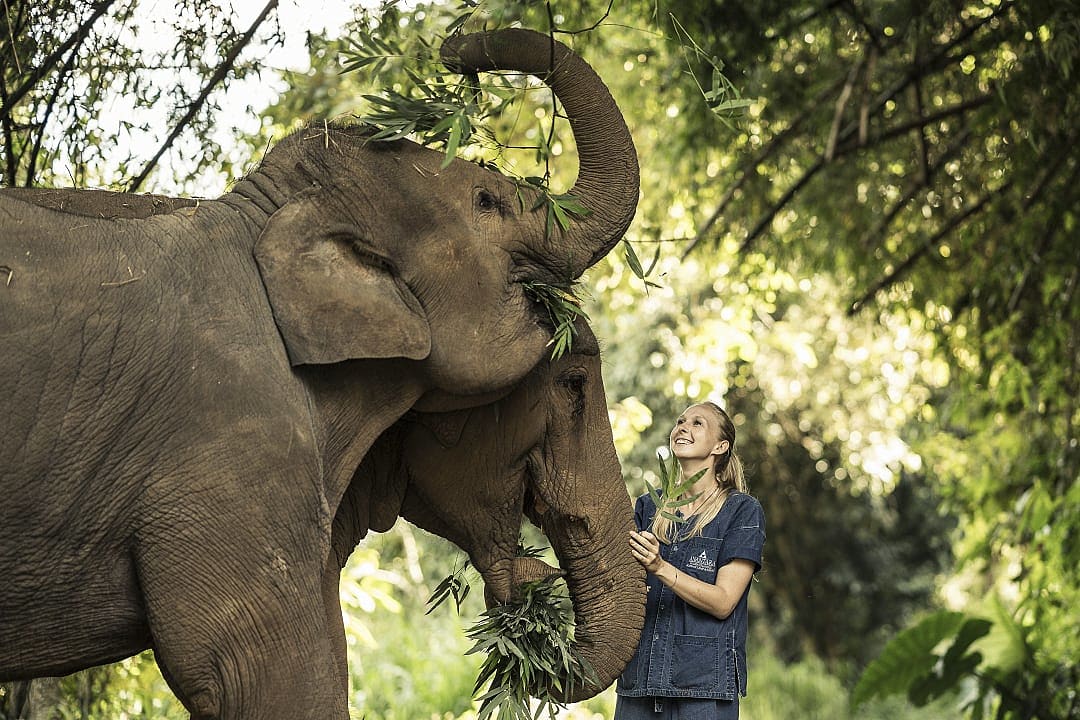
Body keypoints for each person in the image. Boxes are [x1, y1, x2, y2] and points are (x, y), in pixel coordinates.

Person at [615, 401, 766, 720]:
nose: (682, 426)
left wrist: (660, 568)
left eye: (698, 423)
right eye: (681, 421)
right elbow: (623, 589)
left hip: (703, 694)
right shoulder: (648, 507)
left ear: (720, 446)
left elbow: (724, 602)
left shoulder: (741, 511)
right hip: (640, 685)